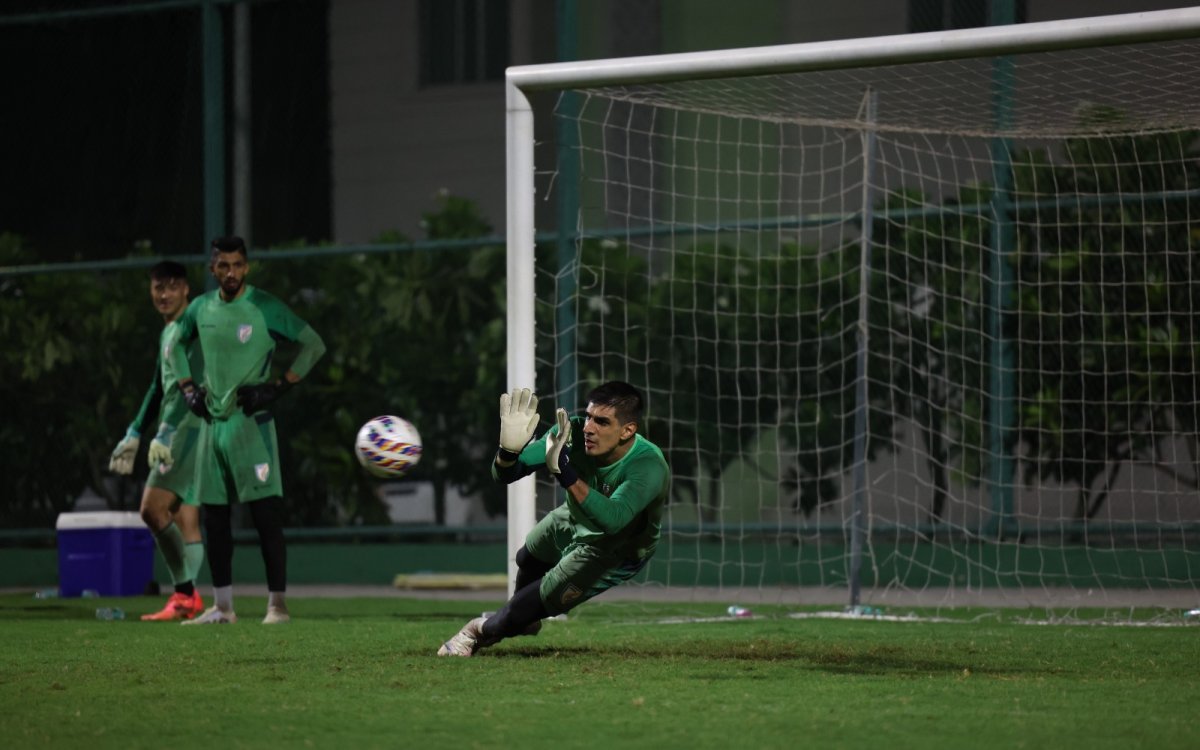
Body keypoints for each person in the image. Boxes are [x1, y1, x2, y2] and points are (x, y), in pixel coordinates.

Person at [438, 381, 669, 657]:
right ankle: (522, 620)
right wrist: (507, 453)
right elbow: (506, 475)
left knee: (518, 611)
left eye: (602, 422)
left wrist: (566, 474)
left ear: (628, 430)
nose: (589, 428)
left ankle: (476, 631)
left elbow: (614, 520)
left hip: (612, 550)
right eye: (589, 417)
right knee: (527, 558)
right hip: (572, 517)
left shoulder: (648, 464)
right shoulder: (571, 431)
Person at [164, 236, 326, 625]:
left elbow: (313, 345)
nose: (231, 273)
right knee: (215, 520)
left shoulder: (264, 306)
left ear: (247, 267)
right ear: (212, 269)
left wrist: (278, 386)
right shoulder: (201, 308)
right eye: (224, 266)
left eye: (238, 265)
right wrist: (188, 389)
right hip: (213, 428)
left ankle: (278, 606)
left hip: (252, 427)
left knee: (265, 516)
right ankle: (223, 608)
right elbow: (175, 346)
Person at [108, 260, 207, 621]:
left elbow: (190, 388)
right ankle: (189, 597)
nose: (163, 295)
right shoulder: (168, 332)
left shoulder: (188, 332)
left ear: (185, 290)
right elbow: (156, 386)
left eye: (171, 287)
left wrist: (166, 431)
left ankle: (186, 595)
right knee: (180, 513)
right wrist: (135, 430)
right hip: (176, 431)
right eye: (157, 288)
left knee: (152, 509)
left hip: (184, 431)